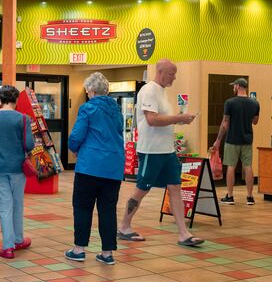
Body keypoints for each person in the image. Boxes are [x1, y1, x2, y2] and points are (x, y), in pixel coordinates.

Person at [118, 59, 204, 247]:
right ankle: (124, 226)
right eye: (172, 73)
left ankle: (183, 233)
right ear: (160, 72)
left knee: (175, 188)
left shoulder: (162, 92)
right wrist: (178, 117)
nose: (174, 77)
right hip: (151, 151)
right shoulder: (148, 90)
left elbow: (162, 119)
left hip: (167, 150)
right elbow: (152, 119)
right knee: (142, 188)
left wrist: (179, 121)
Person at [66, 72, 124, 265]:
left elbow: (76, 136)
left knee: (82, 207)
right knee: (108, 210)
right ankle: (107, 253)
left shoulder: (87, 108)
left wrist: (74, 149)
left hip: (89, 166)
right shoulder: (117, 111)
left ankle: (79, 249)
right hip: (113, 167)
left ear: (90, 90)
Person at [0, 85, 34, 259]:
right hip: (18, 167)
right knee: (17, 202)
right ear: (16, 100)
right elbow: (29, 144)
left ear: (0, 98)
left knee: (4, 206)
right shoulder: (23, 119)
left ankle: (7, 247)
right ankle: (18, 239)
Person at [213, 78, 260, 205]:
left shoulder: (230, 102)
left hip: (232, 139)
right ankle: (250, 197)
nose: (233, 88)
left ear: (238, 86)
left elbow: (225, 123)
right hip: (247, 140)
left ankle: (230, 196)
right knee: (248, 167)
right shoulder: (255, 103)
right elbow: (255, 122)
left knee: (231, 167)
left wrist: (218, 140)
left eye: (234, 86)